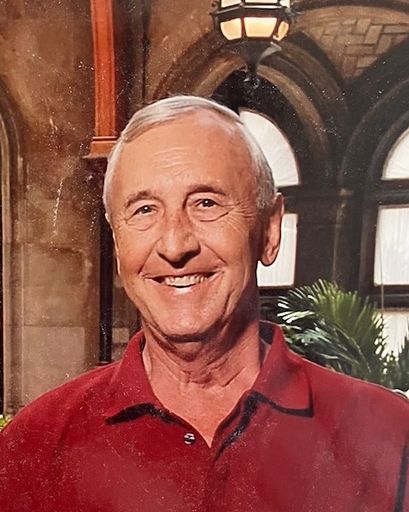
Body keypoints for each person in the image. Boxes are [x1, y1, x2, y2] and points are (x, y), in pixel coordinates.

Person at [0, 96, 408, 512]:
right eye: (144, 210)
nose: (175, 245)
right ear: (118, 244)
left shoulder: (390, 434)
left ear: (270, 231)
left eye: (206, 203)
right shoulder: (34, 443)